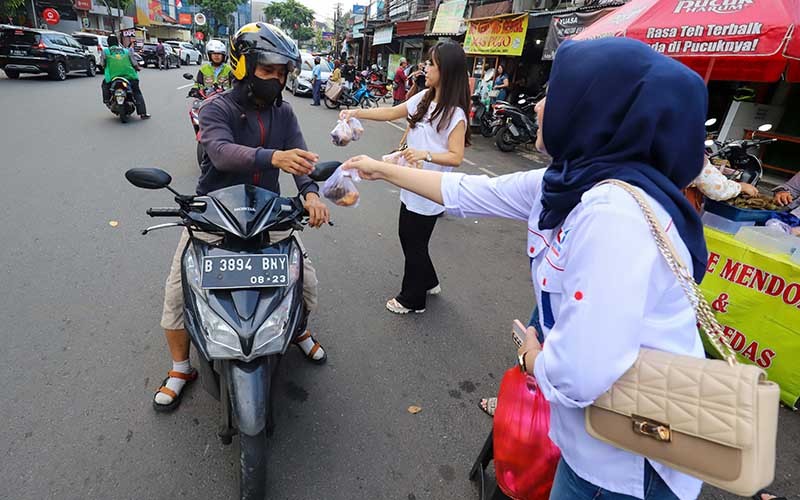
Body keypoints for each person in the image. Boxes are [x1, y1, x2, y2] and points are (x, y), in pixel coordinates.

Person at [344, 38, 714, 499]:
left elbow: (580, 372)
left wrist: (531, 358)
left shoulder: (612, 212)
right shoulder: (568, 180)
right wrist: (379, 168)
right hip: (597, 436)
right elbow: (467, 191)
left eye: (555, 93)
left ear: (592, 113)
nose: (539, 105)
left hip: (630, 461)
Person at [152, 22, 330, 412]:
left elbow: (300, 159)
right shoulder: (218, 107)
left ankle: (296, 329)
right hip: (212, 215)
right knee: (177, 297)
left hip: (268, 214)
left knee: (307, 284)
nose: (277, 80)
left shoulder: (285, 114)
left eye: (282, 73)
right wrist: (272, 157)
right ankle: (181, 368)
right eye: (268, 71)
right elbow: (219, 152)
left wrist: (312, 192)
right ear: (242, 67)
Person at [340, 41, 470, 314]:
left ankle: (413, 299)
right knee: (412, 238)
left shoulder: (455, 114)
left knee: (413, 241)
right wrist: (355, 112)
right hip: (409, 183)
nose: (425, 66)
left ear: (445, 70)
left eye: (431, 63)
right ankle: (430, 281)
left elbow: (456, 156)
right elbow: (390, 112)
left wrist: (425, 154)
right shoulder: (423, 98)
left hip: (431, 189)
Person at [100, 34, 150, 119]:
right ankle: (143, 113)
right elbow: (134, 63)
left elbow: (102, 64)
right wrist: (138, 68)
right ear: (117, 42)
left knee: (105, 85)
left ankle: (107, 100)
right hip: (130, 76)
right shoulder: (127, 51)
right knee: (137, 92)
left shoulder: (105, 51)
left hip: (112, 77)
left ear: (108, 43)